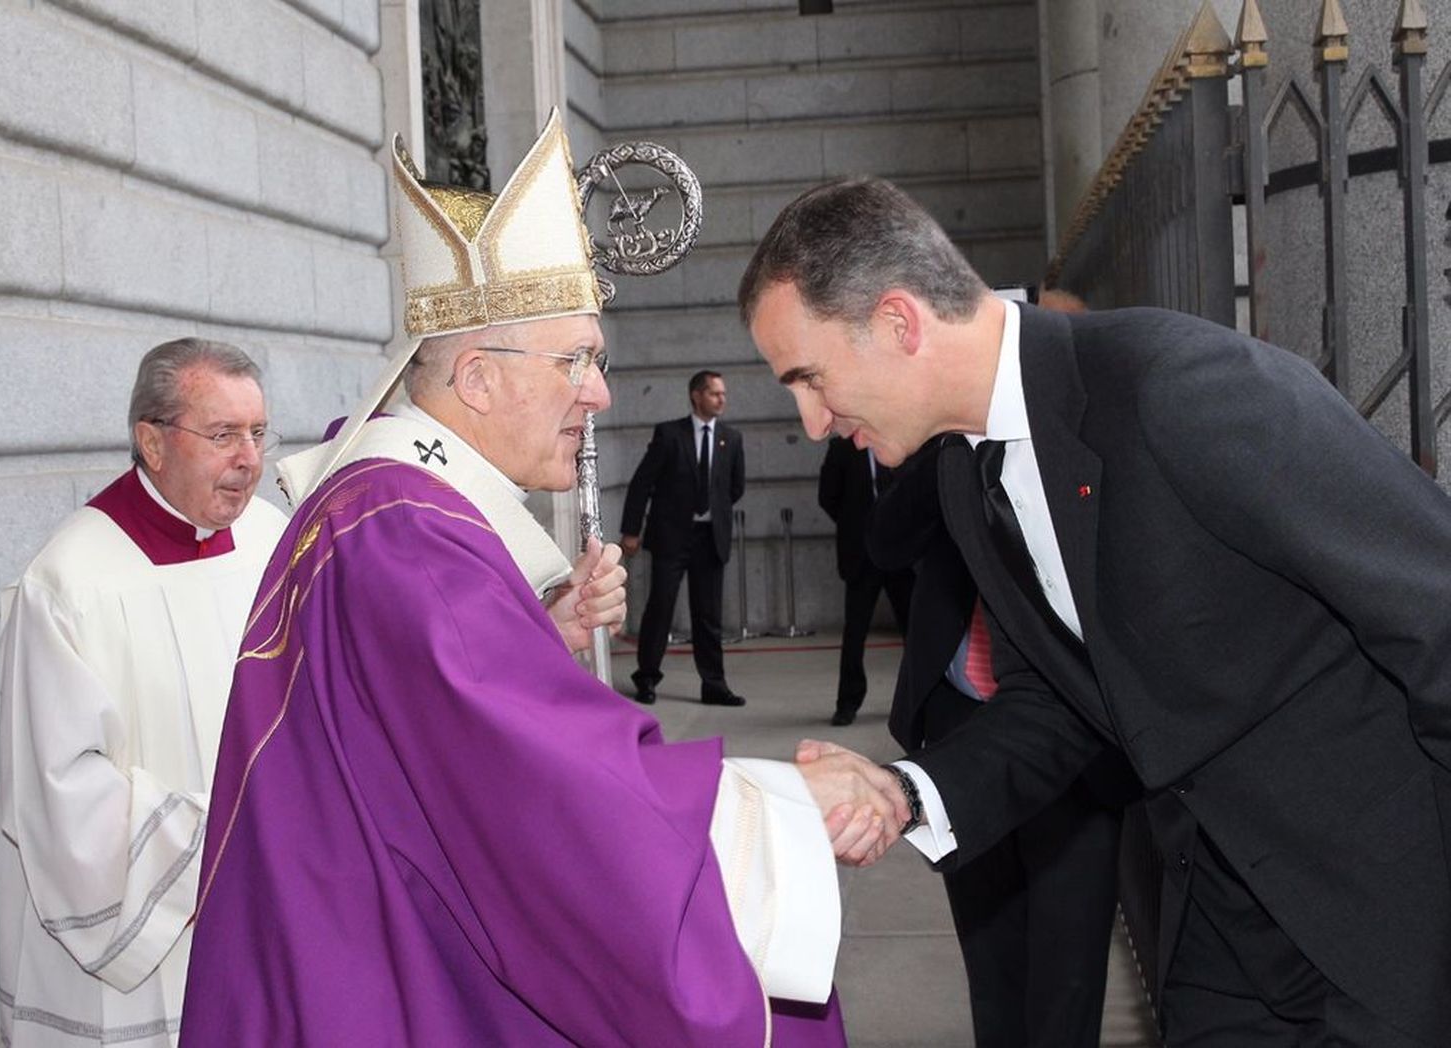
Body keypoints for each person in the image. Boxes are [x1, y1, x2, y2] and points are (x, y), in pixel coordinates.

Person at [179, 112, 904, 1047]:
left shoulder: (382, 511)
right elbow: (555, 801)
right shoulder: (407, 541)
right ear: (477, 379)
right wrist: (792, 809)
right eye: (578, 360)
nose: (600, 393)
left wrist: (541, 635)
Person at [739, 176, 1451, 1047]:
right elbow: (1061, 705)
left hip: (1390, 922)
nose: (811, 422)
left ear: (898, 322)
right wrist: (903, 791)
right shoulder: (968, 475)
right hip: (1220, 930)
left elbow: (1435, 612)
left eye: (808, 378)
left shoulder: (1179, 386)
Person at [0, 338, 287, 1047]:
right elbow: (59, 790)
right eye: (223, 435)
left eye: (256, 433)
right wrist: (213, 848)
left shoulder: (273, 541)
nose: (249, 458)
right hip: (149, 939)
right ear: (152, 443)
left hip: (270, 907)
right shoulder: (68, 583)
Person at [873, 435, 1127, 1048]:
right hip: (962, 724)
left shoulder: (1081, 432)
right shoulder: (939, 444)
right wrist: (956, 440)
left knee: (1070, 966)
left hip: (1077, 734)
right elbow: (885, 543)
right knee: (991, 960)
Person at [620, 369, 747, 705]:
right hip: (672, 537)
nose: (722, 399)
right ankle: (646, 678)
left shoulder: (731, 439)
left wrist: (711, 513)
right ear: (696, 396)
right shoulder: (669, 434)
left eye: (723, 394)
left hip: (710, 539)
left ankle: (714, 685)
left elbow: (734, 488)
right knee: (660, 609)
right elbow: (642, 483)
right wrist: (631, 530)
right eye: (715, 393)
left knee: (709, 616)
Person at [818, 434, 913, 726]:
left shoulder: (901, 440)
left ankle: (917, 700)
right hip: (861, 556)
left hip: (900, 555)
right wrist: (855, 526)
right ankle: (847, 702)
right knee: (855, 632)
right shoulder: (843, 448)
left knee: (915, 631)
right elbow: (828, 497)